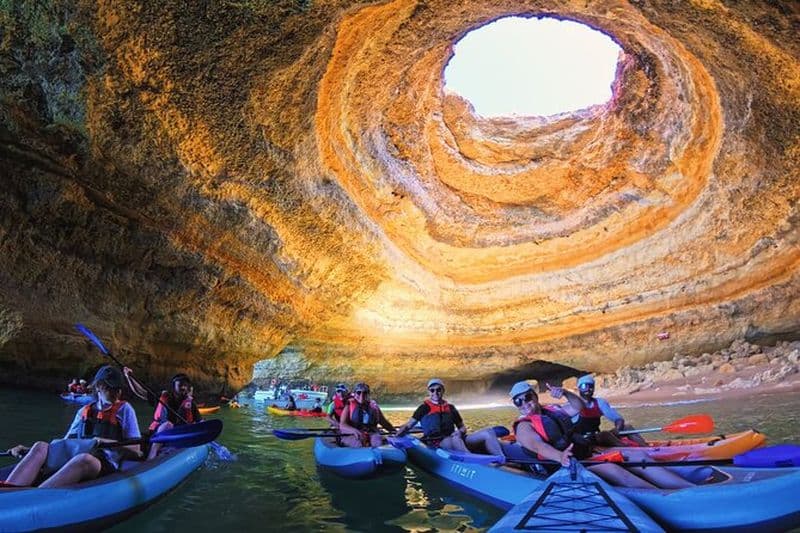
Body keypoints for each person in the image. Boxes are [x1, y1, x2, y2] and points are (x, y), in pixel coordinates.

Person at [509, 381, 693, 489]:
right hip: (565, 467)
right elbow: (537, 446)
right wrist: (561, 457)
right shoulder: (524, 426)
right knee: (613, 470)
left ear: (534, 396)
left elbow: (578, 407)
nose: (523, 403)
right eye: (518, 401)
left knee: (636, 455)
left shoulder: (552, 410)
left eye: (526, 397)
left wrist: (565, 392)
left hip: (584, 457)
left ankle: (686, 488)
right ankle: (663, 496)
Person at [4, 365, 142, 488]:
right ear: (99, 386)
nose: (117, 393)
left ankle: (34, 498)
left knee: (84, 459)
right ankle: (8, 490)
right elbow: (65, 445)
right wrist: (26, 450)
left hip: (104, 462)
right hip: (75, 455)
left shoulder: (125, 410)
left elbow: (136, 450)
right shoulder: (83, 411)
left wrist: (103, 442)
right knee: (40, 446)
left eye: (118, 388)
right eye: (111, 388)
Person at [395, 378, 503, 455]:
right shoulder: (423, 408)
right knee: (455, 439)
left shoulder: (451, 408)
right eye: (432, 390)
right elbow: (408, 426)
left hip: (456, 438)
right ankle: (473, 460)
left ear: (443, 391)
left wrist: (460, 432)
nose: (435, 392)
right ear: (429, 392)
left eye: (438, 389)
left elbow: (462, 427)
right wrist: (397, 435)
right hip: (438, 441)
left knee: (488, 432)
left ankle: (502, 460)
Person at [124, 370, 202, 460]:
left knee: (168, 425)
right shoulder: (162, 397)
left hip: (178, 436)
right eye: (180, 384)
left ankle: (151, 457)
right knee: (167, 425)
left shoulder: (191, 404)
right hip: (157, 434)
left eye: (185, 385)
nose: (183, 387)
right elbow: (141, 392)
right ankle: (151, 458)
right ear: (174, 386)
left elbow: (200, 421)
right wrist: (129, 377)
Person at [567, 375, 648, 447]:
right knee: (604, 434)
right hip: (582, 439)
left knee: (627, 427)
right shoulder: (573, 405)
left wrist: (618, 428)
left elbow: (618, 419)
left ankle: (647, 448)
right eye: (584, 386)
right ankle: (626, 448)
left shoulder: (600, 403)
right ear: (579, 388)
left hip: (596, 436)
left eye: (591, 386)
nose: (588, 389)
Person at [339, 382, 395, 448]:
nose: (361, 395)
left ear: (368, 394)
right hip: (354, 433)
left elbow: (384, 423)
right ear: (354, 394)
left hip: (371, 432)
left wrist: (394, 432)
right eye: (359, 392)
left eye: (365, 393)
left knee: (377, 442)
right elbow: (342, 425)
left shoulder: (374, 406)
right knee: (358, 444)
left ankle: (378, 453)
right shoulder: (349, 405)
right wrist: (355, 431)